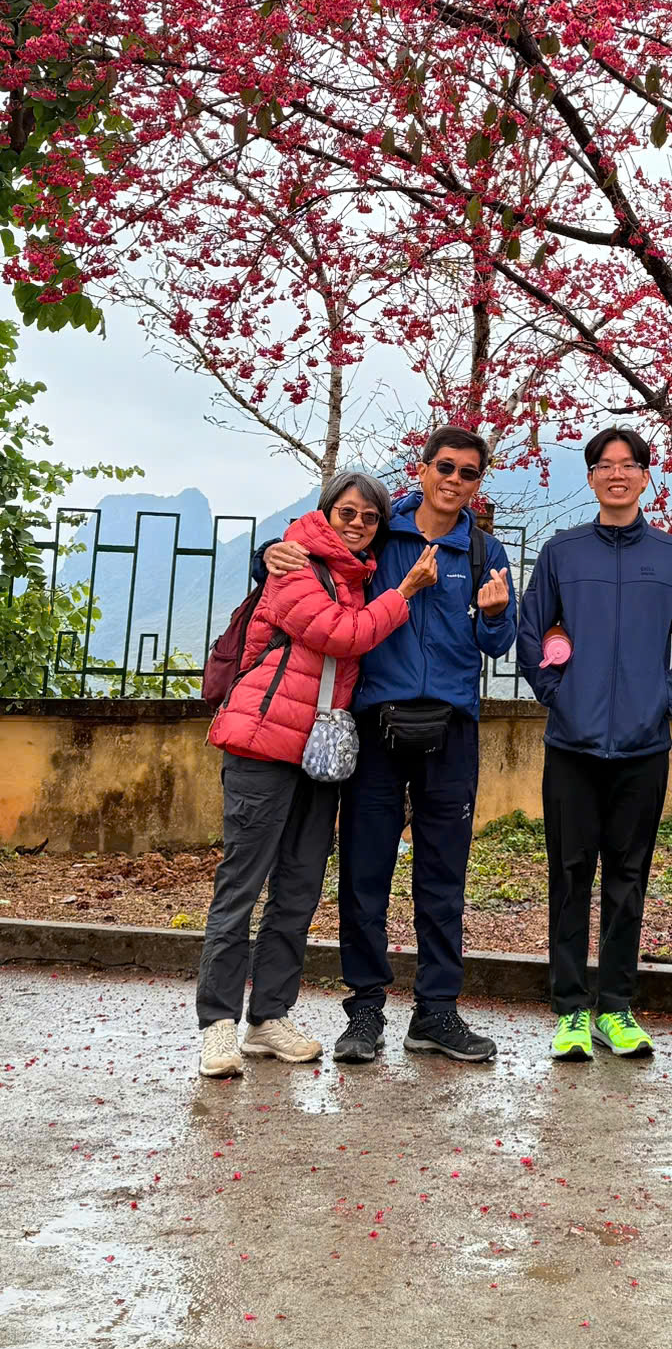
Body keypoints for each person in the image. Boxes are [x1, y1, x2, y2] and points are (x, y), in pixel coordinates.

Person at [261, 425, 516, 1066]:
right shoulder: (381, 537)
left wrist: (492, 613)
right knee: (365, 872)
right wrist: (270, 549)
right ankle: (366, 1010)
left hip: (452, 729)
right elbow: (319, 546)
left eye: (469, 473)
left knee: (443, 875)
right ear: (423, 469)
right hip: (377, 724)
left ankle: (436, 1012)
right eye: (446, 468)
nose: (456, 481)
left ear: (477, 483)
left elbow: (498, 643)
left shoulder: (484, 550)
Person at [197, 471, 438, 1078]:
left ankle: (267, 1018)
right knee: (241, 888)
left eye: (370, 517)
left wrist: (435, 496)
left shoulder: (357, 572)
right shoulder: (294, 565)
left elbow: (421, 499)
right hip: (262, 742)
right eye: (346, 512)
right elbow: (342, 636)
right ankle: (218, 1025)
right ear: (324, 512)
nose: (358, 524)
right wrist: (404, 591)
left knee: (299, 890)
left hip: (318, 753)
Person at [516, 426, 672, 1063]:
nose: (616, 475)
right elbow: (530, 629)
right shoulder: (562, 553)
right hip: (571, 745)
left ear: (646, 476)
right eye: (604, 465)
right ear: (592, 476)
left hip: (642, 746)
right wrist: (557, 693)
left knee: (629, 878)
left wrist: (666, 694)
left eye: (628, 465)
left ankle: (617, 1010)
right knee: (569, 877)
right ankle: (571, 1011)